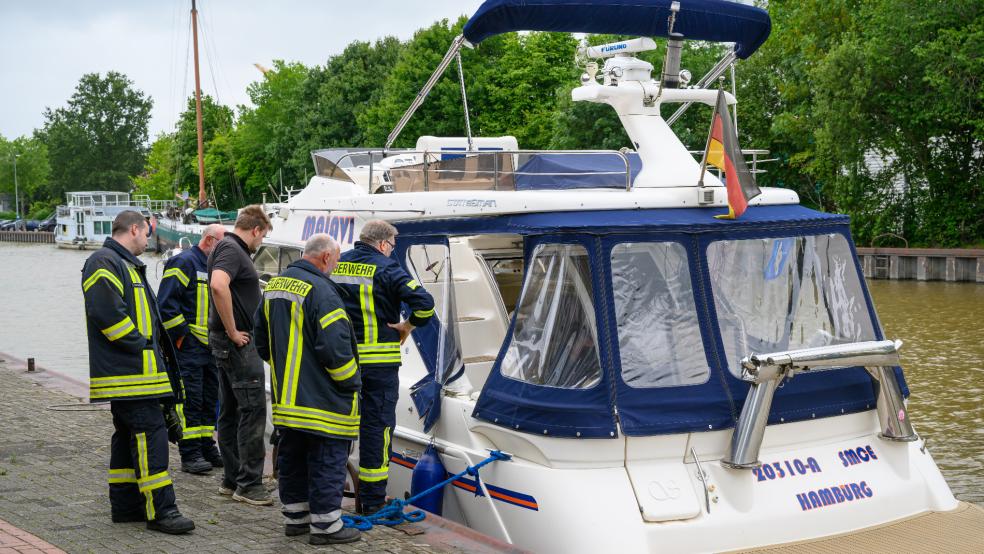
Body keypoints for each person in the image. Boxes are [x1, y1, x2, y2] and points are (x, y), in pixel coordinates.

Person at [81, 210, 195, 534]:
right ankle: (162, 512)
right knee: (151, 437)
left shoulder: (122, 263)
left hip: (136, 375)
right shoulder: (103, 262)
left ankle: (127, 506)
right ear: (134, 229)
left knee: (128, 436)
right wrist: (141, 344)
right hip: (131, 374)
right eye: (147, 233)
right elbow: (107, 314)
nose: (149, 240)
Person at [255, 233, 362, 545]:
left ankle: (296, 519)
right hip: (322, 402)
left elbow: (261, 341)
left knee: (292, 458)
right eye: (337, 260)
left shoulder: (274, 285)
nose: (336, 266)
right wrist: (351, 382)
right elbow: (335, 349)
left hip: (287, 402)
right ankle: (327, 527)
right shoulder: (324, 292)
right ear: (326, 257)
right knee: (327, 460)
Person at [331, 220, 435, 514]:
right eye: (392, 246)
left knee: (337, 427)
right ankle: (372, 503)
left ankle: (329, 495)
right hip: (378, 365)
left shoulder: (337, 263)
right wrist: (407, 326)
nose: (392, 251)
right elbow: (425, 305)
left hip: (342, 362)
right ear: (381, 244)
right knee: (377, 430)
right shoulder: (387, 268)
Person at [207, 205, 273, 505]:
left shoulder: (225, 247)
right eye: (262, 237)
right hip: (238, 344)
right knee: (253, 410)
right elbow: (218, 285)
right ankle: (249, 484)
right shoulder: (233, 250)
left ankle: (232, 479)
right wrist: (234, 331)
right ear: (256, 229)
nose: (260, 243)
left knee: (231, 410)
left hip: (226, 342)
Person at [157, 224, 227, 474]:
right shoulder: (184, 262)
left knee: (210, 399)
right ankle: (190, 453)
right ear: (209, 240)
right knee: (190, 400)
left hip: (210, 347)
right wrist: (182, 337)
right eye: (223, 243)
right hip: (189, 347)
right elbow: (165, 305)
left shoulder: (213, 267)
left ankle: (206, 445)